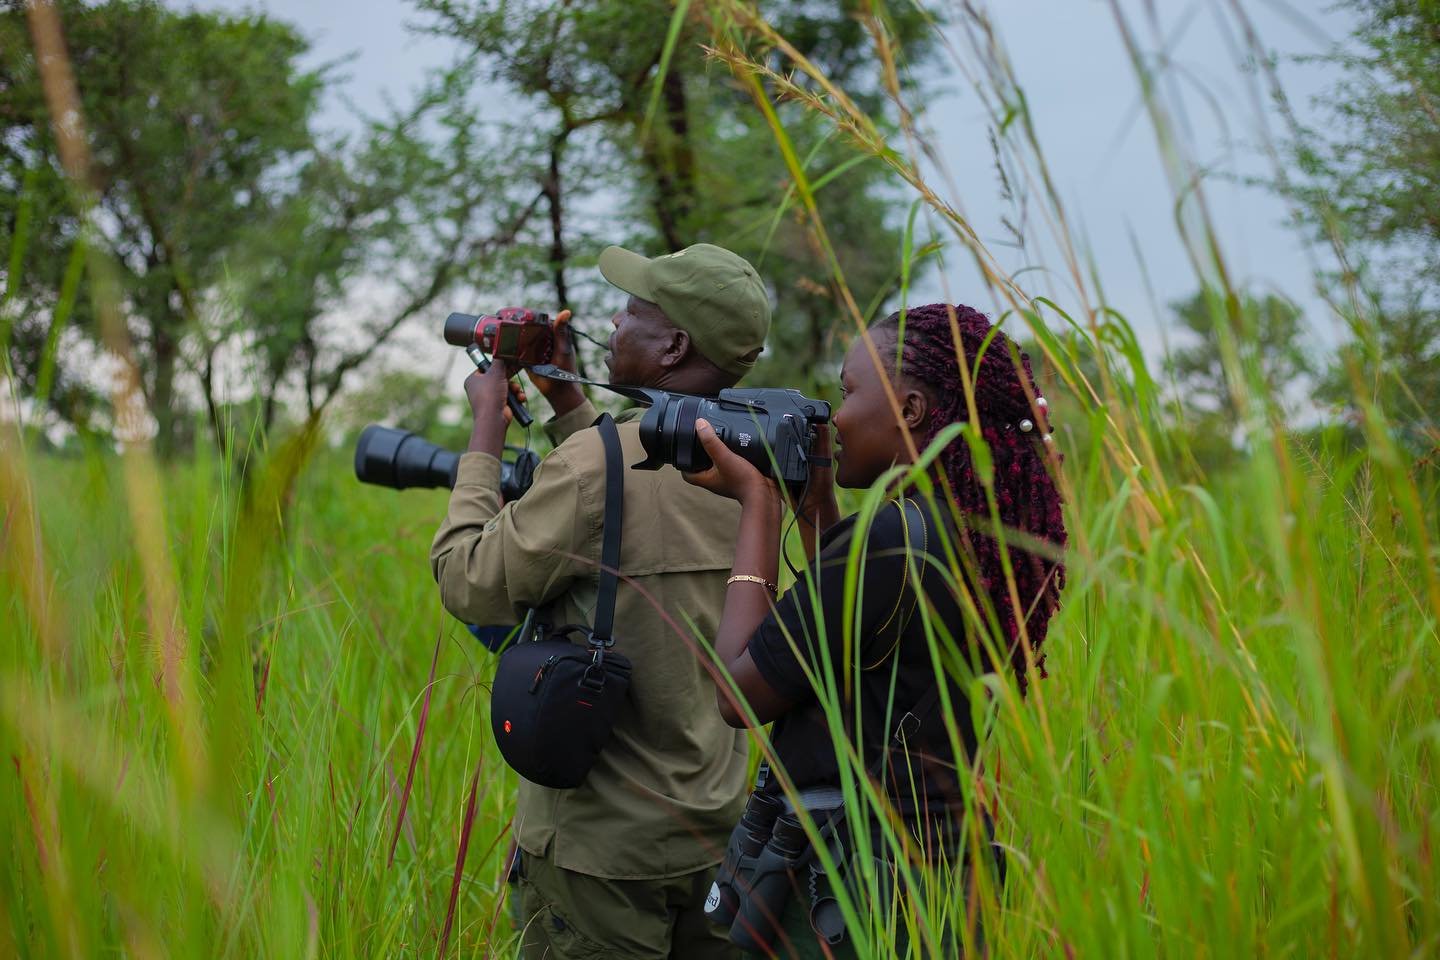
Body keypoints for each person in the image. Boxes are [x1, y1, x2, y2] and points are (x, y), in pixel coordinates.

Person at [682, 302, 1068, 957]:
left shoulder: (890, 539)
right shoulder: (981, 536)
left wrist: (758, 506)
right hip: (937, 871)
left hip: (848, 881)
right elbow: (864, 641)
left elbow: (738, 693)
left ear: (911, 411)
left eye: (849, 391)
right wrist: (815, 511)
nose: (835, 417)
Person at [430, 243, 772, 959]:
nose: (612, 324)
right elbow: (630, 498)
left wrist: (487, 427)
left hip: (599, 859)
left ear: (674, 345)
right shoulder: (760, 465)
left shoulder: (593, 465)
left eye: (632, 313)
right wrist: (566, 399)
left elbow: (466, 580)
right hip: (716, 837)